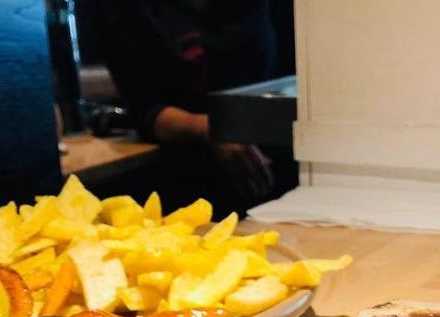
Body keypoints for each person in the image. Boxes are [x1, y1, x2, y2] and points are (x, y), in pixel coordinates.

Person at [92, 0, 292, 213]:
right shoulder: (127, 8)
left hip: (286, 161)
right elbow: (146, 112)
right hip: (193, 182)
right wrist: (217, 127)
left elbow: (297, 70)